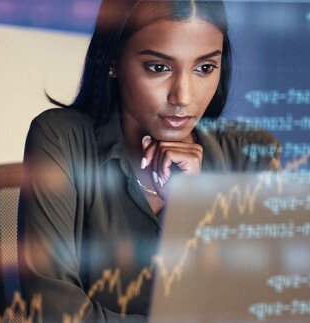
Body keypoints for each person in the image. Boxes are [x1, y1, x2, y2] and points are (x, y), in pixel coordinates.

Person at [17, 0, 281, 321]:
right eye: (159, 67)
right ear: (112, 58)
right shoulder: (61, 139)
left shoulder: (254, 157)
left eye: (205, 68)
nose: (183, 96)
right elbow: (56, 312)